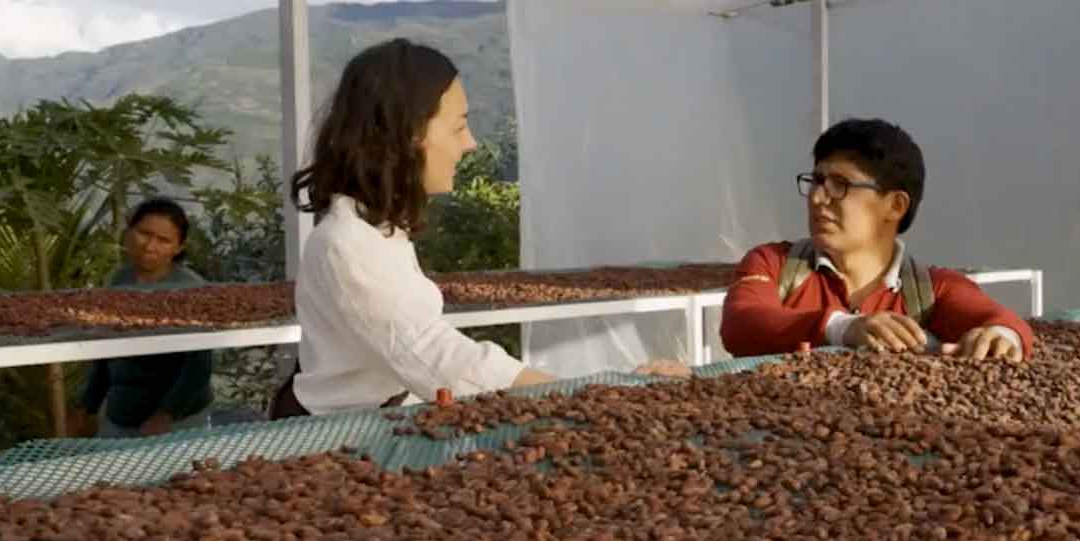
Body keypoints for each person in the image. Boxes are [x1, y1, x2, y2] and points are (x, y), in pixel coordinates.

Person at [273, 39, 683, 419]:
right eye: (457, 127)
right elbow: (434, 357)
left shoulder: (378, 229)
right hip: (332, 431)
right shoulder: (347, 246)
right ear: (408, 135)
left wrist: (607, 390)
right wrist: (595, 395)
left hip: (380, 413)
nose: (469, 143)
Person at [719, 118, 1036, 361]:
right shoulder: (774, 264)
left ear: (895, 206)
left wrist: (1000, 336)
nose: (817, 198)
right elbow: (741, 323)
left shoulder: (933, 291)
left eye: (839, 185)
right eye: (816, 180)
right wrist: (842, 328)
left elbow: (1002, 322)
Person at [77, 198, 216, 437]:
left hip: (177, 423)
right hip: (120, 415)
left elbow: (199, 365)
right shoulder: (119, 280)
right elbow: (105, 351)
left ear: (179, 247)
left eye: (163, 240)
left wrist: (165, 415)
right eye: (144, 233)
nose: (150, 246)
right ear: (129, 231)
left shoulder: (190, 289)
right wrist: (87, 405)